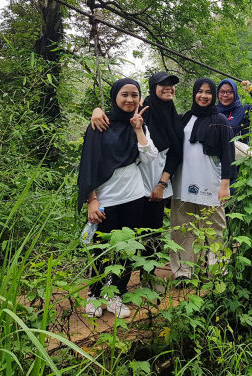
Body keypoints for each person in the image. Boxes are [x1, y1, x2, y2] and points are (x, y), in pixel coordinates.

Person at [78, 78, 157, 319]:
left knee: (126, 249)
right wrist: (91, 199)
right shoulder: (99, 123)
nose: (130, 99)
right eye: (125, 94)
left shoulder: (139, 124)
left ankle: (117, 294)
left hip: (134, 197)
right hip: (106, 198)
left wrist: (137, 129)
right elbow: (88, 163)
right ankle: (94, 294)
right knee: (101, 250)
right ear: (115, 96)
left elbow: (150, 156)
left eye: (134, 94)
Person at [91, 71, 184, 274]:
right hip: (132, 187)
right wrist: (97, 110)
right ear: (152, 87)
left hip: (158, 185)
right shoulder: (140, 109)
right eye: (162, 84)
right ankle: (116, 281)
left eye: (171, 84)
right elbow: (115, 112)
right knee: (126, 235)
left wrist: (161, 184)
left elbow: (176, 153)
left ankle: (147, 277)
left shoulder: (175, 118)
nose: (168, 87)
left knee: (152, 233)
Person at [170, 78, 234, 282]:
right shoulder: (185, 118)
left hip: (211, 182)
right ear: (194, 93)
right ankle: (183, 272)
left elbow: (228, 154)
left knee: (215, 228)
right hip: (183, 180)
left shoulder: (220, 120)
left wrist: (225, 185)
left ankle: (217, 270)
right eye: (200, 91)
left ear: (213, 95)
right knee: (182, 228)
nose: (203, 96)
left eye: (208, 92)